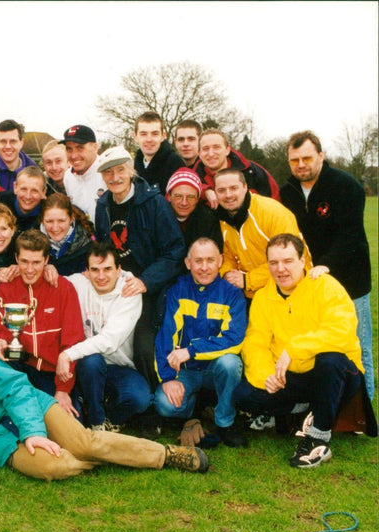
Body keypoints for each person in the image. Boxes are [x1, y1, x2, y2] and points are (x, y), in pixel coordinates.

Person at [0, 321, 209, 485]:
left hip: (31, 408)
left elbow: (15, 390)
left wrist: (33, 430)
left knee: (83, 442)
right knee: (58, 466)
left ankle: (166, 455)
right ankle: (105, 454)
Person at [234, 234, 374, 468]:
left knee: (330, 361)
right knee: (244, 395)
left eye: (288, 261)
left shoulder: (325, 286)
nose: (280, 269)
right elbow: (255, 342)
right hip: (292, 377)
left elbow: (342, 331)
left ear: (303, 260)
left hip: (336, 374)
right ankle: (302, 410)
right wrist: (266, 375)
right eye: (274, 263)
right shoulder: (263, 296)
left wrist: (294, 349)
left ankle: (317, 439)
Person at [280, 130, 373, 400]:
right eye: (294, 160)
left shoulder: (346, 186)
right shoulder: (288, 192)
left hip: (350, 280)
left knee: (358, 344)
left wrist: (325, 266)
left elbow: (351, 235)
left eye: (307, 158)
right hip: (310, 283)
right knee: (317, 343)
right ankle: (323, 402)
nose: (301, 165)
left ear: (321, 155)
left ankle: (362, 411)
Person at [93, 145, 185, 395]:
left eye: (120, 170)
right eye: (108, 173)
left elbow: (175, 251)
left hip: (150, 289)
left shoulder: (153, 203)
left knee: (144, 347)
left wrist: (145, 281)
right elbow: (103, 249)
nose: (115, 177)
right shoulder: (103, 205)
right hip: (117, 289)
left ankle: (154, 405)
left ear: (132, 170)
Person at [153, 238, 248, 447]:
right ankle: (192, 412)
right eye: (198, 261)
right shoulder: (177, 290)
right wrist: (168, 378)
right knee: (164, 404)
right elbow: (165, 336)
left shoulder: (232, 294)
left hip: (215, 369)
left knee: (230, 363)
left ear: (220, 261)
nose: (204, 267)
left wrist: (191, 350)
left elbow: (234, 340)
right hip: (185, 371)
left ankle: (225, 421)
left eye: (210, 260)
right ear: (188, 263)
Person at [55, 243, 151, 432]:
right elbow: (45, 279)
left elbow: (109, 341)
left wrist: (66, 355)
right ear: (87, 272)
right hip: (87, 366)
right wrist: (49, 268)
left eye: (107, 269)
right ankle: (97, 422)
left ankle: (111, 418)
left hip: (118, 365)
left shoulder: (129, 291)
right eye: (95, 270)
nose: (101, 276)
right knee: (91, 360)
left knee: (140, 398)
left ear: (119, 270)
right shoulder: (77, 283)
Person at [0, 230, 85, 417]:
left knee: (68, 425)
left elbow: (73, 339)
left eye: (36, 262)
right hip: (21, 367)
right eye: (24, 261)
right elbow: (0, 330)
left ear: (47, 259)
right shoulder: (6, 286)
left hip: (53, 372)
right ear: (16, 258)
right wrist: (0, 341)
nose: (30, 269)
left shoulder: (63, 287)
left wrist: (63, 389)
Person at [215, 168, 311, 299]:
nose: (228, 195)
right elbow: (228, 255)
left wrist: (248, 280)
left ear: (245, 187)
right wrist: (226, 273)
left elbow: (289, 261)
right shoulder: (221, 220)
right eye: (221, 190)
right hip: (254, 295)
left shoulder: (272, 213)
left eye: (233, 188)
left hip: (292, 290)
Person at [195, 129, 279, 208]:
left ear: (227, 149)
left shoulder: (253, 172)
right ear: (199, 153)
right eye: (205, 149)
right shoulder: (194, 178)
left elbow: (275, 204)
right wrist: (204, 190)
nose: (211, 154)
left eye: (216, 147)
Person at [165, 168, 223, 254]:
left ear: (197, 199)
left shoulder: (208, 220)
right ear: (169, 197)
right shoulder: (159, 218)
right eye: (178, 196)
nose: (184, 202)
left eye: (190, 197)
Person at [61, 124, 106, 224]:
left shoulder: (108, 171)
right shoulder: (68, 176)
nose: (74, 155)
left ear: (95, 147)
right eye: (69, 149)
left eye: (80, 148)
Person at [39, 193, 93, 276]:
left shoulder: (87, 246)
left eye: (61, 221)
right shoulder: (32, 242)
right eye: (49, 221)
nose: (55, 228)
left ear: (71, 219)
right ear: (42, 220)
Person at [132, 111, 185, 194]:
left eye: (155, 134)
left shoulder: (174, 163)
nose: (149, 139)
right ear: (135, 137)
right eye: (143, 134)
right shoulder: (135, 165)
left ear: (163, 136)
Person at [0, 119, 37, 191]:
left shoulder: (35, 171)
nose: (8, 146)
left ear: (21, 143)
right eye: (3, 141)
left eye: (13, 141)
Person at [0, 166, 47, 232]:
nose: (28, 196)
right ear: (15, 187)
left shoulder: (49, 212)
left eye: (34, 191)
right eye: (23, 189)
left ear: (43, 192)